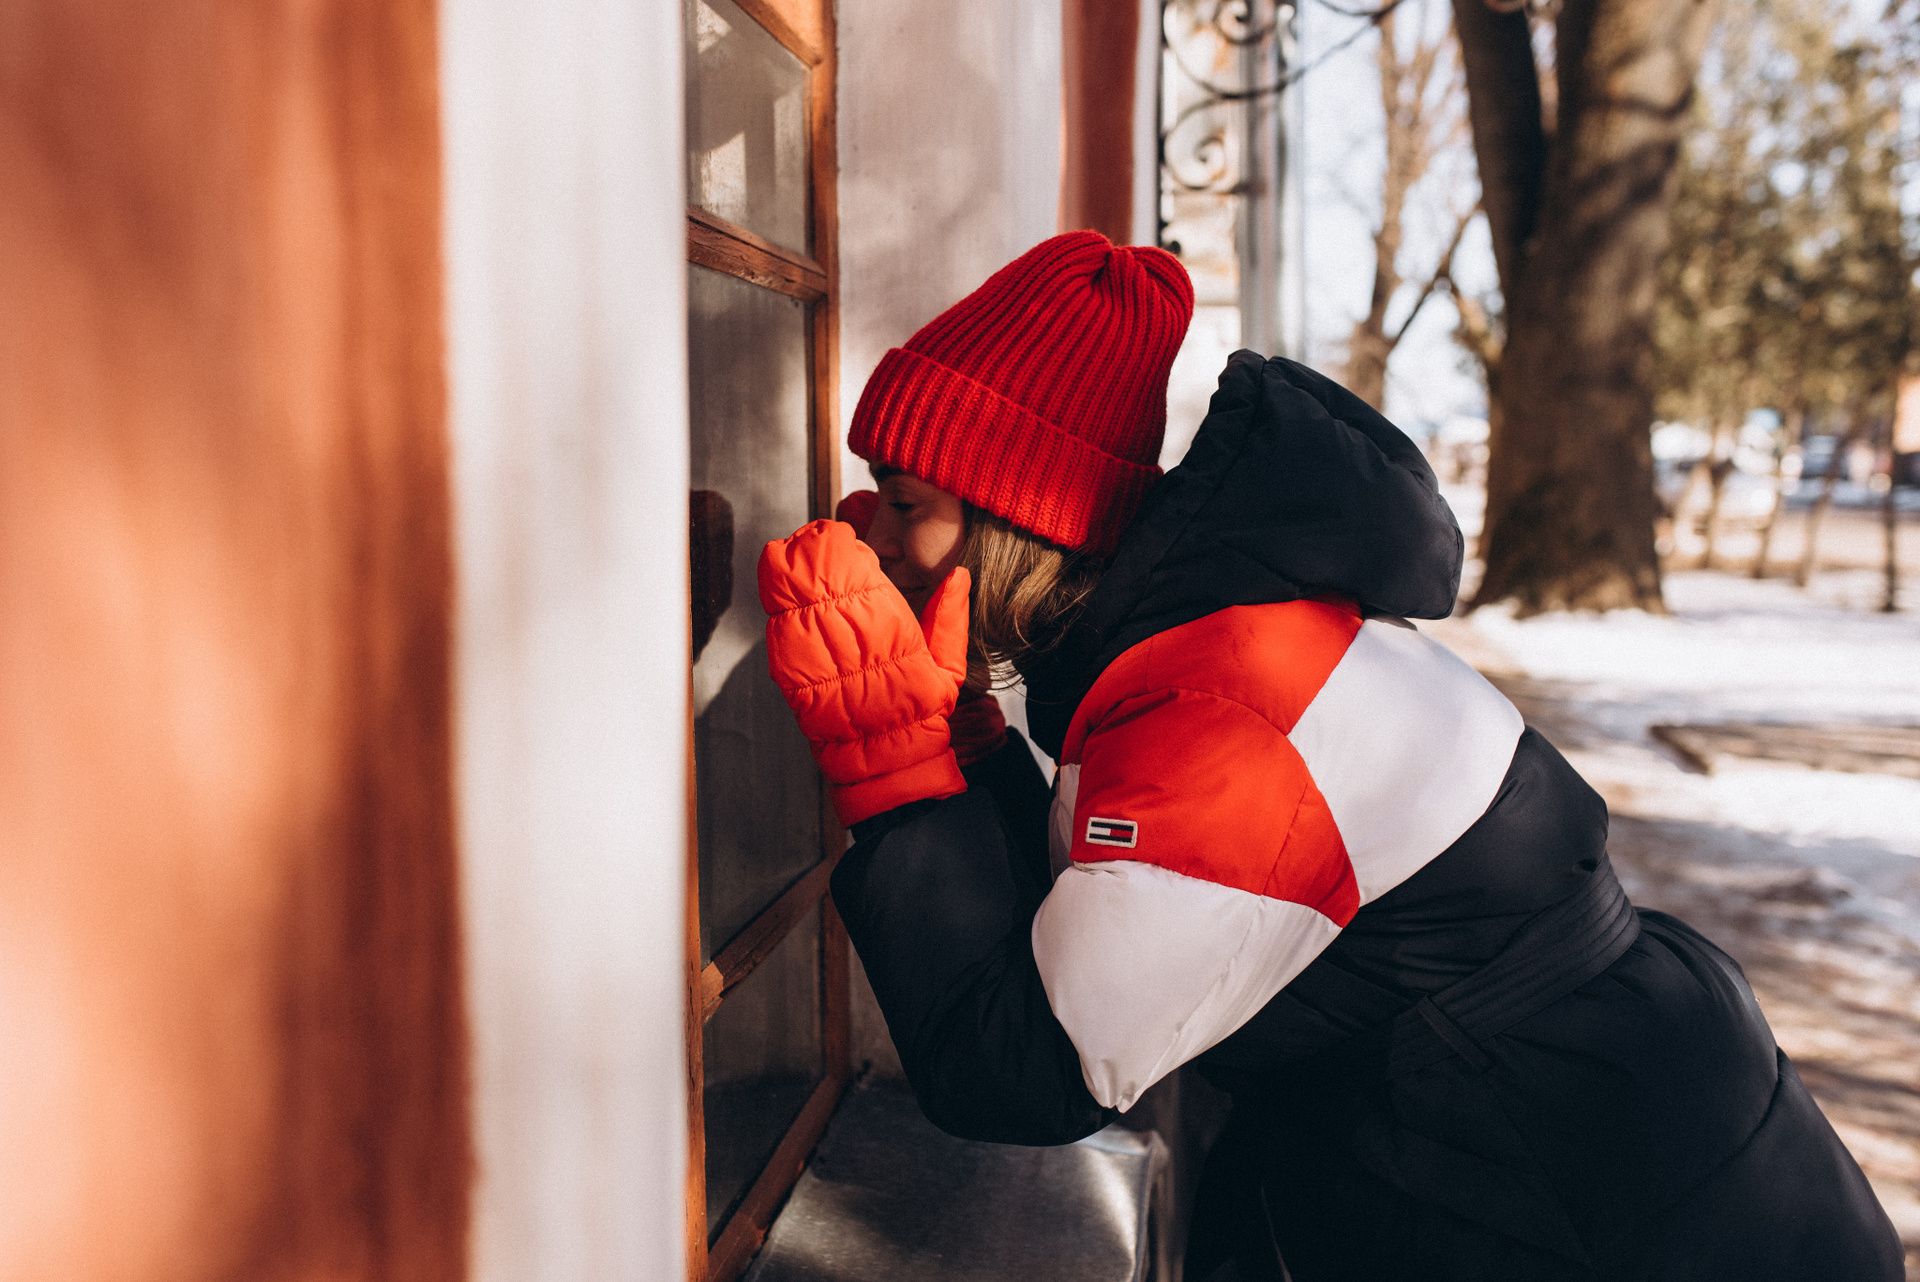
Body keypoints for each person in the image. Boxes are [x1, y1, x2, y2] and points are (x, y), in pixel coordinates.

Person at [755, 231, 1901, 1281]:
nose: (870, 536)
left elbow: (1032, 1068)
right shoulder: (1192, 650)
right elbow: (1090, 926)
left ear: (1024, 518)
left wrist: (894, 764)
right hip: (1569, 1137)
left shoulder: (1228, 714)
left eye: (905, 503)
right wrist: (965, 753)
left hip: (1611, 1199)